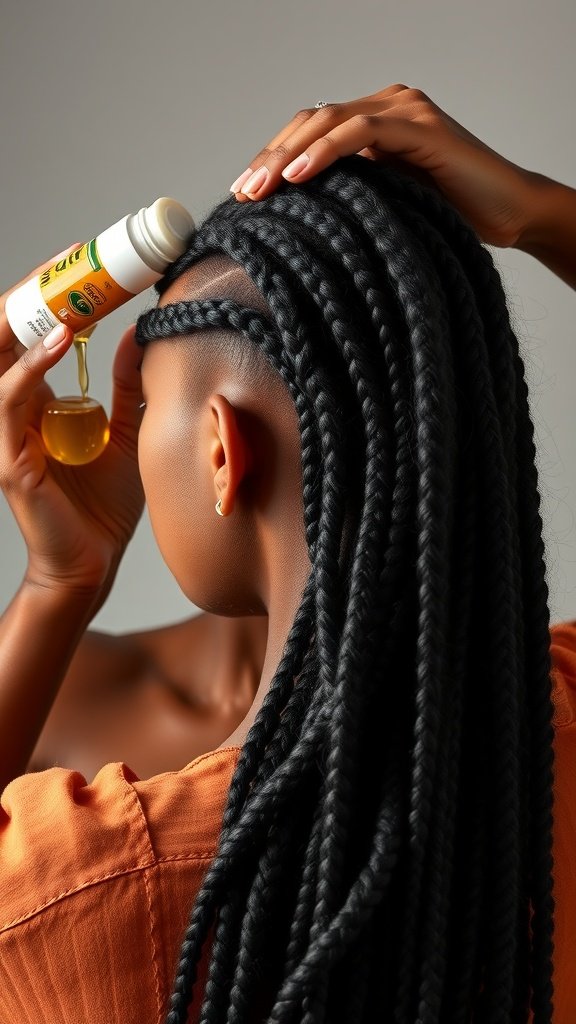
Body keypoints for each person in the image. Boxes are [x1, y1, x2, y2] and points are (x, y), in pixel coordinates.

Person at [0, 83, 575, 1024]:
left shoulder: (72, 887)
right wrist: (544, 212)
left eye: (148, 404)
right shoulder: (553, 738)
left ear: (222, 453)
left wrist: (58, 581)